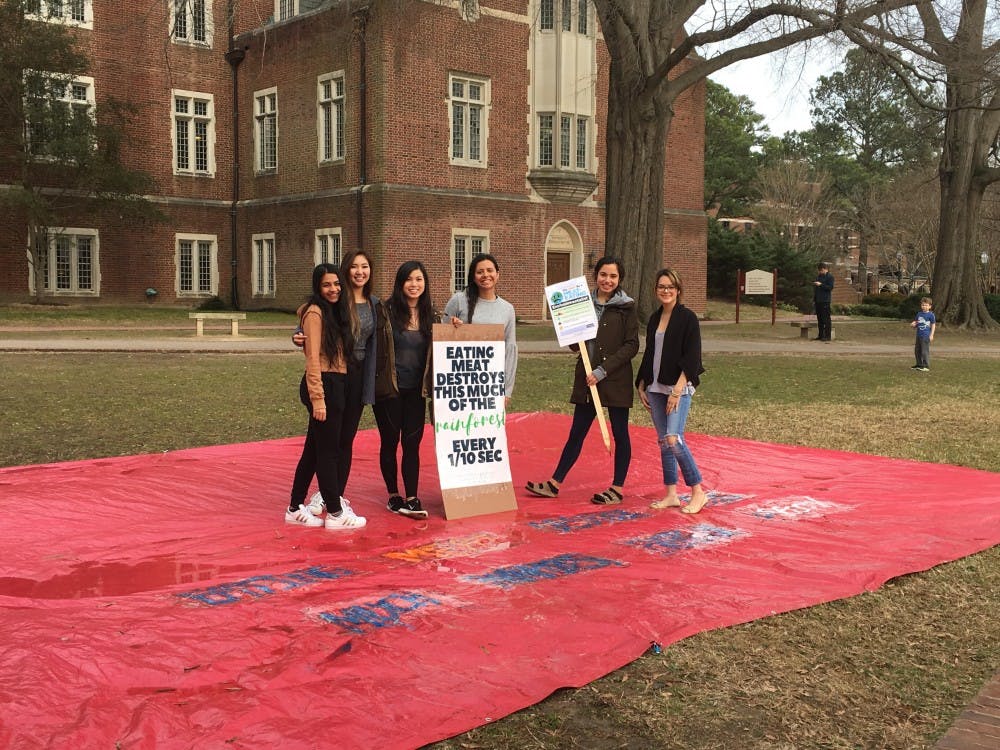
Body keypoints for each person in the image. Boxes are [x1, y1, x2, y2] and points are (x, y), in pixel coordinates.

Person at [525, 257, 639, 505]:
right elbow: (578, 346)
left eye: (613, 276)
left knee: (620, 433)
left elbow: (632, 345)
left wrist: (603, 370)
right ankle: (554, 483)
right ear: (595, 275)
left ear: (619, 279)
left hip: (614, 378)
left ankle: (617, 488)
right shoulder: (581, 302)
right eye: (603, 275)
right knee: (576, 433)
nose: (607, 280)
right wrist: (568, 334)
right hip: (587, 378)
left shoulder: (626, 307)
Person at [286, 264, 367, 529]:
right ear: (317, 288)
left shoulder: (335, 311)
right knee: (328, 450)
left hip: (338, 383)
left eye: (336, 284)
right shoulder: (315, 312)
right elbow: (313, 359)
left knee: (313, 450)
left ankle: (295, 506)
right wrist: (318, 398)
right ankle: (334, 511)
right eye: (326, 285)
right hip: (325, 385)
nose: (333, 289)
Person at [636, 268, 709, 514]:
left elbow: (693, 356)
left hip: (678, 386)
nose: (665, 291)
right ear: (656, 290)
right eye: (661, 287)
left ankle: (698, 491)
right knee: (663, 442)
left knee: (673, 438)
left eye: (670, 287)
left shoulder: (687, 318)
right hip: (655, 387)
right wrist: (641, 383)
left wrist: (678, 390)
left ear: (678, 290)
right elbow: (650, 352)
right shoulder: (655, 318)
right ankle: (671, 493)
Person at [373, 261, 435, 519]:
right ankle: (392, 494)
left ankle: (411, 497)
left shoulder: (434, 316)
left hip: (416, 392)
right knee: (390, 442)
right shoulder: (384, 312)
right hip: (389, 391)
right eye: (409, 279)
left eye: (419, 279)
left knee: (412, 445)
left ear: (425, 283)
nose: (414, 284)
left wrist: (455, 326)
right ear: (400, 283)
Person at [443, 252, 518, 404]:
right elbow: (440, 337)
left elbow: (510, 349)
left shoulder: (507, 309)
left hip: (491, 383)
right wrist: (452, 326)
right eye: (480, 272)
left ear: (498, 274)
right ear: (473, 276)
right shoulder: (458, 300)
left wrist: (507, 390)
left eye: (490, 270)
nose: (485, 275)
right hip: (459, 381)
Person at [911, 296, 936, 372]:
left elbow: (933, 325)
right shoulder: (919, 314)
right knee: (917, 350)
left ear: (930, 306)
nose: (924, 306)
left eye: (926, 305)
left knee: (924, 351)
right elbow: (916, 323)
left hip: (926, 336)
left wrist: (931, 335)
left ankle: (926, 366)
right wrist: (913, 324)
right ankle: (919, 364)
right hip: (919, 335)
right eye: (922, 305)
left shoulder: (931, 315)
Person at [813, 261, 834, 341]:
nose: (820, 272)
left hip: (825, 300)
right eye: (819, 271)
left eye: (821, 270)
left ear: (825, 269)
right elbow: (816, 289)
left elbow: (830, 288)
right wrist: (814, 299)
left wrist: (821, 285)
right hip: (818, 300)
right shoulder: (819, 276)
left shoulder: (830, 277)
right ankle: (821, 335)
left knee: (826, 319)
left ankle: (827, 336)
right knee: (820, 319)